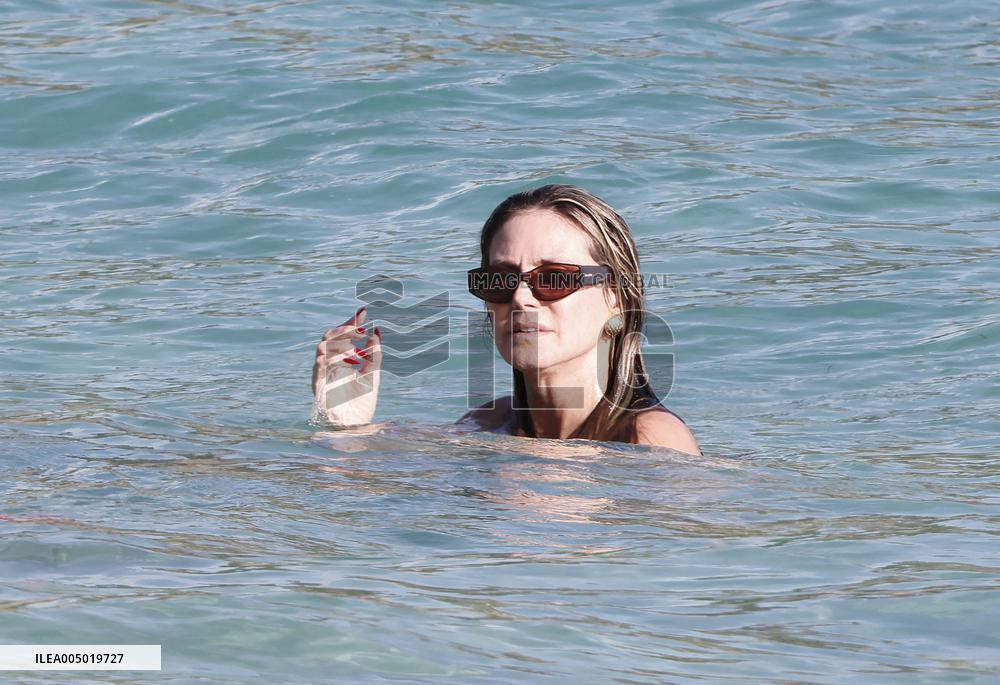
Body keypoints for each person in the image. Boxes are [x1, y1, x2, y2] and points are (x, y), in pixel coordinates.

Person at [312, 184, 701, 456]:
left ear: (615, 297)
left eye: (554, 279)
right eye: (499, 281)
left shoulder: (650, 439)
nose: (520, 297)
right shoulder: (486, 425)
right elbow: (348, 503)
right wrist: (344, 426)